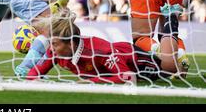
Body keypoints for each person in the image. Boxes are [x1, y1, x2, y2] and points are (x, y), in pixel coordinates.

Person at [27, 8, 172, 83]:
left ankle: (171, 18)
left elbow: (128, 77)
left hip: (137, 60)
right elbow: (33, 73)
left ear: (71, 43)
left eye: (54, 44)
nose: (50, 48)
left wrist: (91, 82)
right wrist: (35, 82)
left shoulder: (100, 52)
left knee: (172, 69)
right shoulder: (56, 51)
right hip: (119, 54)